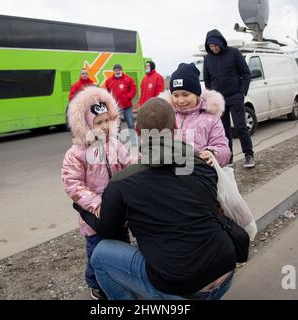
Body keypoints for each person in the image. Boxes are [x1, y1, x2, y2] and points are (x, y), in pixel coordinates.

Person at [90, 98, 237, 300]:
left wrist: (83, 208)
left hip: (183, 288)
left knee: (100, 255)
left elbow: (107, 229)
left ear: (138, 131)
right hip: (225, 271)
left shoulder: (122, 183)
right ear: (175, 127)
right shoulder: (200, 164)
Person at [61, 86, 132, 300]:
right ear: (85, 125)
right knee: (96, 250)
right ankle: (95, 283)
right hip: (96, 215)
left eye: (106, 121)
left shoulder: (115, 144)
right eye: (97, 122)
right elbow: (72, 184)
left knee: (121, 245)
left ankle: (121, 278)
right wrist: (96, 204)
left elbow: (129, 165)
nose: (104, 127)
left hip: (119, 211)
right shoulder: (76, 153)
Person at [159, 62, 231, 167]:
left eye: (185, 95)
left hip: (199, 174)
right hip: (170, 175)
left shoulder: (210, 119)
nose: (180, 100)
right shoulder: (166, 115)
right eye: (176, 95)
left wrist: (213, 154)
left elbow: (223, 149)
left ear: (196, 94)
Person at [203, 29, 255, 168]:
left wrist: (241, 93)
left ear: (221, 42)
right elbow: (207, 81)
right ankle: (228, 157)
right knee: (223, 130)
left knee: (240, 127)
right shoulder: (207, 59)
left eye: (215, 45)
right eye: (210, 46)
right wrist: (212, 96)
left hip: (235, 97)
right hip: (219, 101)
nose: (213, 48)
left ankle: (249, 155)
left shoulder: (234, 53)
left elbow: (246, 74)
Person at [105, 64, 138, 146]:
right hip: (116, 107)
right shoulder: (109, 81)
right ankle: (118, 143)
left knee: (130, 123)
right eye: (115, 70)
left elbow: (133, 89)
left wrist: (128, 97)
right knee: (117, 126)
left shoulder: (128, 79)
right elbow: (108, 92)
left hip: (127, 106)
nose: (117, 71)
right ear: (114, 71)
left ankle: (133, 141)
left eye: (119, 70)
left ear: (121, 70)